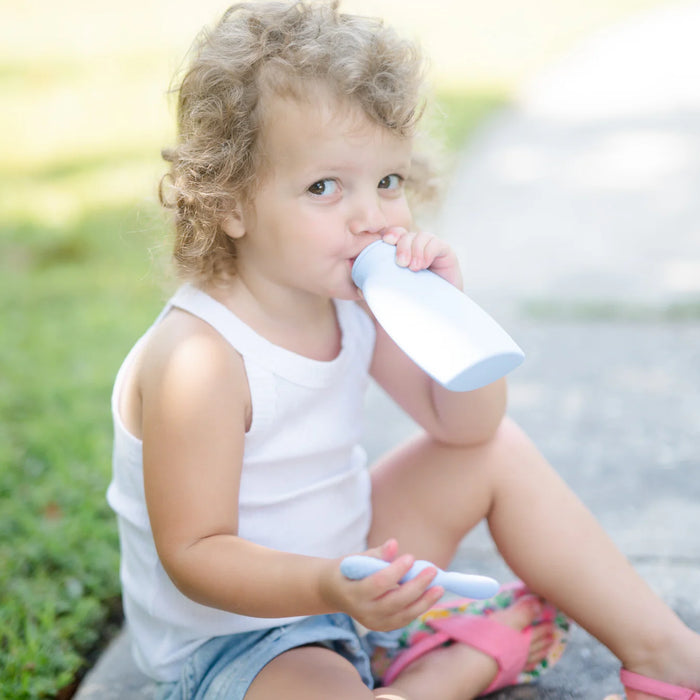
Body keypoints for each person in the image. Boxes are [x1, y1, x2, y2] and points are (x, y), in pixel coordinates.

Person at [107, 1, 700, 698]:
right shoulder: (200, 359)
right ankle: (442, 669)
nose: (371, 216)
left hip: (350, 580)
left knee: (494, 451)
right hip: (236, 637)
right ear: (230, 203)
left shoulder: (352, 302)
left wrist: (446, 310)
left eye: (388, 181)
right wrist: (328, 585)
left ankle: (666, 654)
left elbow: (467, 427)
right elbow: (194, 555)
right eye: (325, 187)